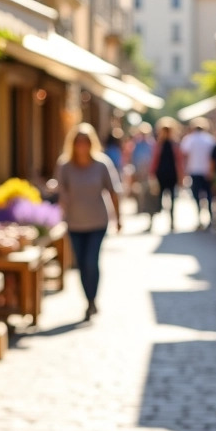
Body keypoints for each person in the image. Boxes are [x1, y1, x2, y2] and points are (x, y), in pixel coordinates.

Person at [57, 123, 122, 320]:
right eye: (78, 142)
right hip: (75, 223)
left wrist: (119, 218)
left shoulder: (102, 164)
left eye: (85, 142)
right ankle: (88, 300)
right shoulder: (65, 166)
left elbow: (113, 191)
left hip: (97, 222)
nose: (82, 146)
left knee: (91, 262)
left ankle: (93, 300)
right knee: (81, 264)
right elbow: (61, 192)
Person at [180, 119, 216, 231]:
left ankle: (200, 218)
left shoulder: (189, 139)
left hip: (195, 171)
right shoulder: (210, 139)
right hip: (207, 171)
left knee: (197, 196)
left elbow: (184, 154)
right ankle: (211, 219)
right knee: (209, 196)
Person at [148, 119, 183, 231]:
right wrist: (152, 174)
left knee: (172, 199)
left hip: (172, 175)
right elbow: (154, 160)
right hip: (161, 175)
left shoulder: (174, 145)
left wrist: (181, 176)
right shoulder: (158, 145)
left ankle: (172, 222)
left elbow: (179, 161)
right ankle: (151, 222)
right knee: (157, 200)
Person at [129, 123, 156, 227]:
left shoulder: (152, 144)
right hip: (140, 174)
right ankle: (141, 209)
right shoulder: (136, 144)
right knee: (140, 193)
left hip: (150, 174)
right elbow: (133, 158)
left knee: (150, 195)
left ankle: (150, 215)